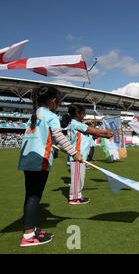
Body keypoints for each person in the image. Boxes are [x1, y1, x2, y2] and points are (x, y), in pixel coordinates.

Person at [18, 86, 83, 247]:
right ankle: (28, 236)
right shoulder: (51, 115)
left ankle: (31, 228)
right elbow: (58, 135)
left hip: (27, 160)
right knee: (34, 196)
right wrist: (74, 153)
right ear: (53, 101)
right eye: (58, 101)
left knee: (30, 195)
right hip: (40, 159)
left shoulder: (35, 115)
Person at [61, 104, 114, 205]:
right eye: (83, 113)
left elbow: (90, 130)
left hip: (80, 155)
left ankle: (78, 196)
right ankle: (74, 198)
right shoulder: (76, 124)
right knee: (77, 178)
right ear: (78, 114)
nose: (84, 114)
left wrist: (105, 134)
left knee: (80, 178)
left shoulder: (75, 123)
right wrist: (107, 134)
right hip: (77, 155)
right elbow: (92, 131)